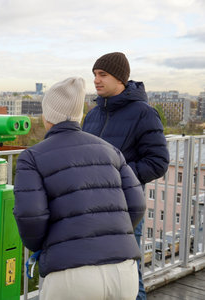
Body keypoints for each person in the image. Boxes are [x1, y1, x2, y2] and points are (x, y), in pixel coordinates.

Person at [13, 77, 146, 300]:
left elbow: (30, 215)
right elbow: (137, 205)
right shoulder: (111, 150)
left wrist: (44, 246)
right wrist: (114, 233)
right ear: (79, 115)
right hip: (124, 272)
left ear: (47, 117)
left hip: (71, 275)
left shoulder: (32, 157)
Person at [82, 52, 170, 300]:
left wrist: (117, 176)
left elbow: (158, 162)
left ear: (120, 78)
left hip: (125, 206)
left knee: (130, 275)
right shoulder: (93, 114)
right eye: (95, 75)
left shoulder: (144, 113)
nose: (96, 80)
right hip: (91, 205)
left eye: (103, 75)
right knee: (96, 273)